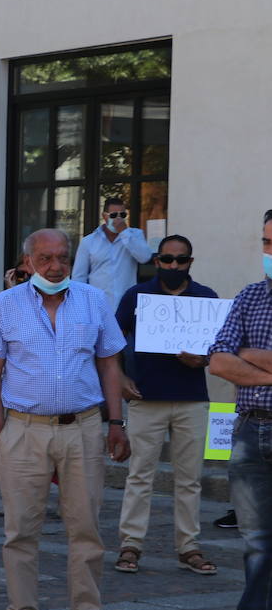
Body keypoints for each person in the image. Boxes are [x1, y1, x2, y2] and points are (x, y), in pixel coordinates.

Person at [0, 228, 130, 610]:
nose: (55, 266)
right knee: (20, 528)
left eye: (62, 257)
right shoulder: (3, 306)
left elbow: (110, 365)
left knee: (86, 526)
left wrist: (116, 423)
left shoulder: (94, 301)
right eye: (44, 259)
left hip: (83, 428)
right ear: (27, 263)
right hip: (23, 429)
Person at [113, 235, 218, 576]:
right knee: (139, 475)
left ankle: (189, 546)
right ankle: (130, 544)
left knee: (190, 479)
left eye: (181, 260)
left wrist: (202, 360)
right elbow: (111, 341)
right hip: (146, 399)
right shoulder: (135, 295)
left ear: (191, 261)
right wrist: (120, 378)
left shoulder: (206, 298)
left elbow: (220, 348)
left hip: (192, 400)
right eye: (168, 259)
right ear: (156, 260)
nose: (174, 265)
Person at [195, 212, 272, 610]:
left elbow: (237, 357)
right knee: (258, 543)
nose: (269, 253)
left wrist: (254, 357)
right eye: (266, 242)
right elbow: (220, 361)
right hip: (250, 429)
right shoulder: (249, 296)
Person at [74, 197, 152, 310]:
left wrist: (124, 233)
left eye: (123, 215)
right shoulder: (88, 241)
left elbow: (145, 257)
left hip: (127, 304)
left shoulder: (135, 235)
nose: (118, 219)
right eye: (114, 215)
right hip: (98, 305)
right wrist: (81, 305)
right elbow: (79, 277)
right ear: (104, 216)